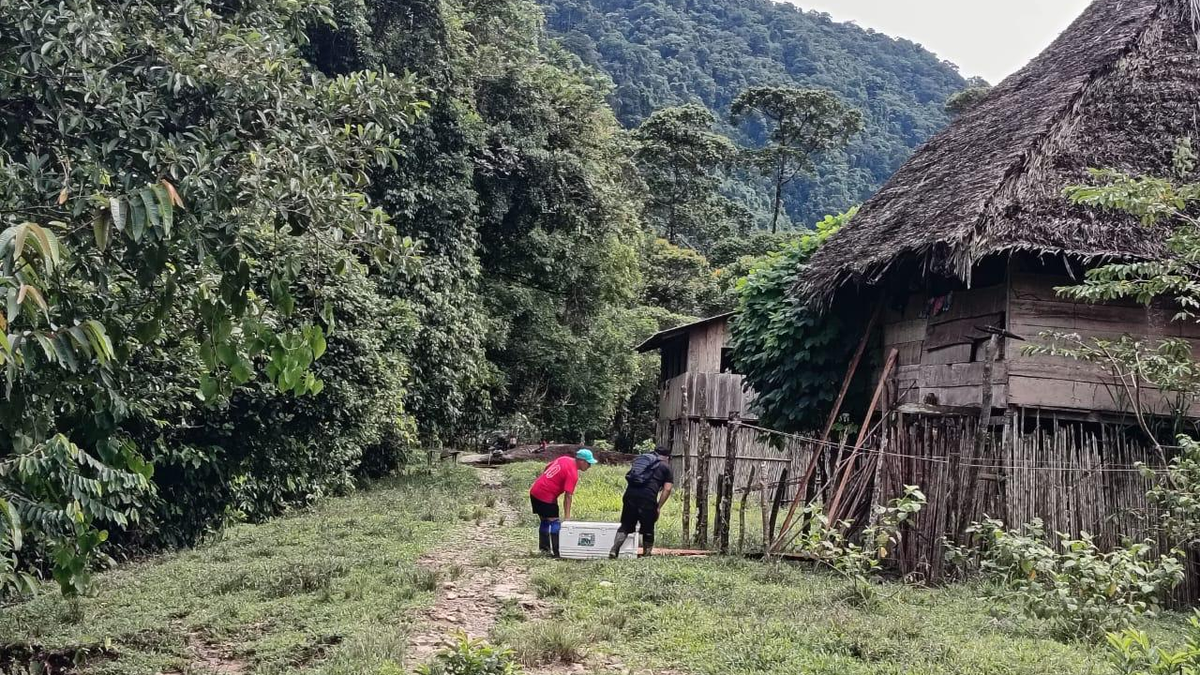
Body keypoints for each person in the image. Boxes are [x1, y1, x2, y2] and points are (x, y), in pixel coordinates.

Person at [529, 448, 598, 556]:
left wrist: (548, 481)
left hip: (535, 490)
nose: (590, 466)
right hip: (545, 495)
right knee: (554, 522)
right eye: (589, 463)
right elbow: (568, 497)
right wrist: (567, 518)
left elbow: (547, 467)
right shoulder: (573, 473)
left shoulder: (564, 459)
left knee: (545, 520)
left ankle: (544, 549)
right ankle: (558, 552)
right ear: (581, 461)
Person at [609, 445, 674, 558]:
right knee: (648, 527)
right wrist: (658, 507)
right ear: (667, 457)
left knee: (625, 525)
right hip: (648, 498)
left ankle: (614, 550)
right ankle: (646, 555)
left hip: (630, 495)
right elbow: (667, 489)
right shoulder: (665, 466)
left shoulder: (643, 461)